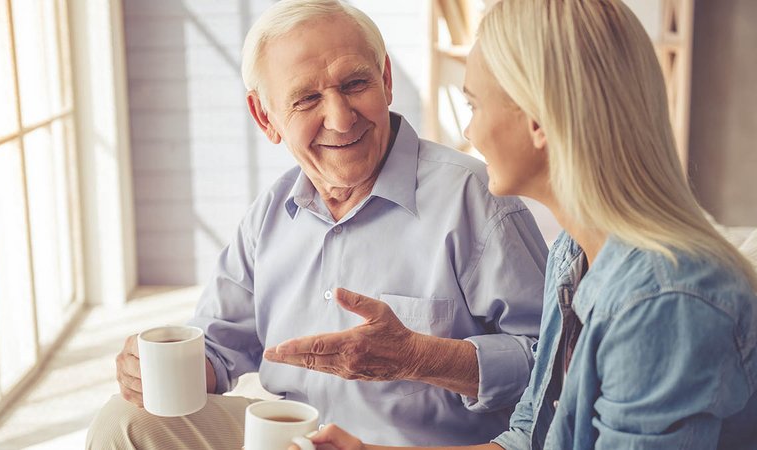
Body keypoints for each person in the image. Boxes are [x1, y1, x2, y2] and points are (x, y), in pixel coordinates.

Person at [86, 0, 548, 448]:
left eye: (354, 84)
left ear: (386, 80)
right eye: (307, 98)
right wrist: (154, 371)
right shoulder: (269, 213)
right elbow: (219, 347)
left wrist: (417, 357)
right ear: (266, 117)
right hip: (292, 438)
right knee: (125, 422)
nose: (340, 118)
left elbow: (557, 365)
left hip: (415, 447)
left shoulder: (476, 197)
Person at [303, 0, 757, 449]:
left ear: (538, 120)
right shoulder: (572, 255)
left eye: (475, 106)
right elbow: (529, 439)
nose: (469, 132)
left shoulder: (664, 302)